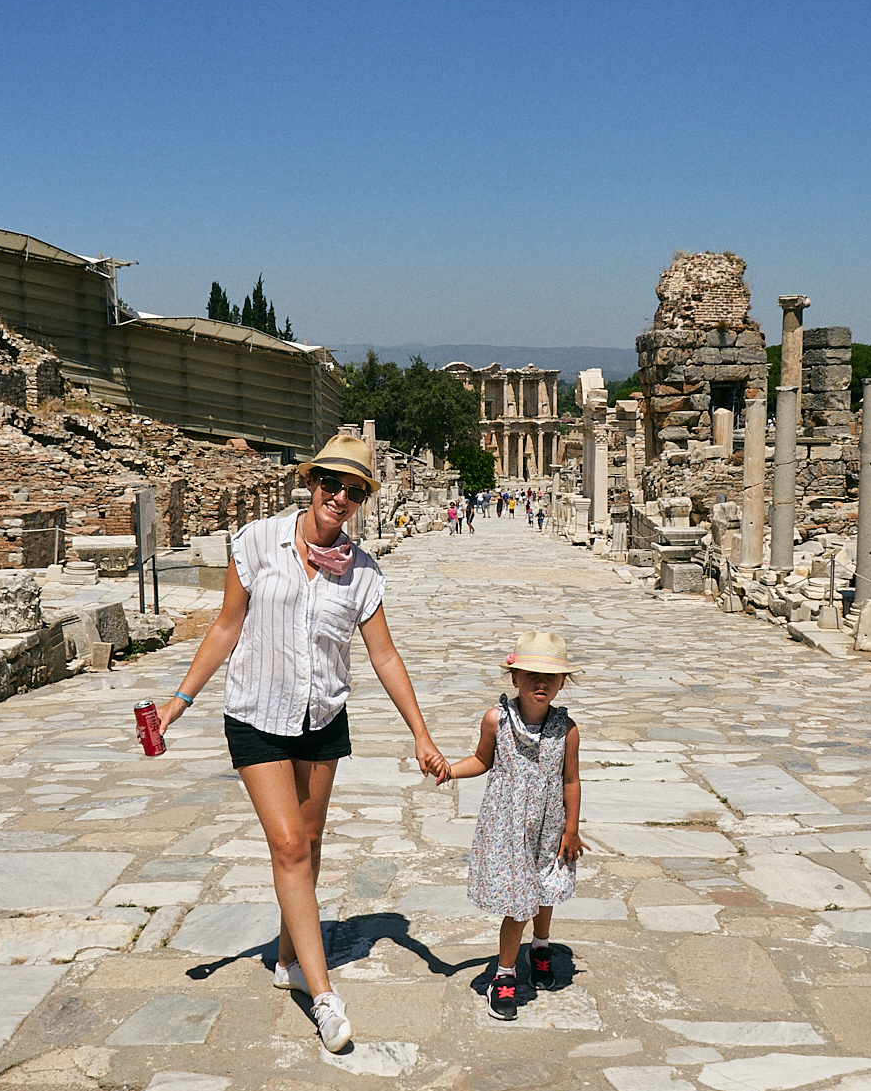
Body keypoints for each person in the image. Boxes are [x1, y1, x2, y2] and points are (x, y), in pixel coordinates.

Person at [155, 433, 447, 1053]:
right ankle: (324, 996)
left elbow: (385, 656)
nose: (339, 498)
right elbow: (226, 627)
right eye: (330, 484)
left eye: (353, 491)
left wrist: (420, 733)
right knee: (288, 844)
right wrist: (178, 701)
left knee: (308, 848)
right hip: (256, 716)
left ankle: (289, 956)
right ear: (311, 483)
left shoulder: (363, 572)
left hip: (322, 720)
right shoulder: (257, 542)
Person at [444, 631, 584, 1021]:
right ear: (514, 678)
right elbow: (481, 760)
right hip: (507, 828)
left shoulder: (566, 729)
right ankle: (504, 974)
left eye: (551, 678)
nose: (541, 684)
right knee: (518, 904)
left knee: (544, 889)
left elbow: (570, 780)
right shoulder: (496, 720)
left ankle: (540, 947)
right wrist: (450, 770)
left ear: (561, 683)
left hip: (549, 825)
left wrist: (571, 829)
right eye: (530, 675)